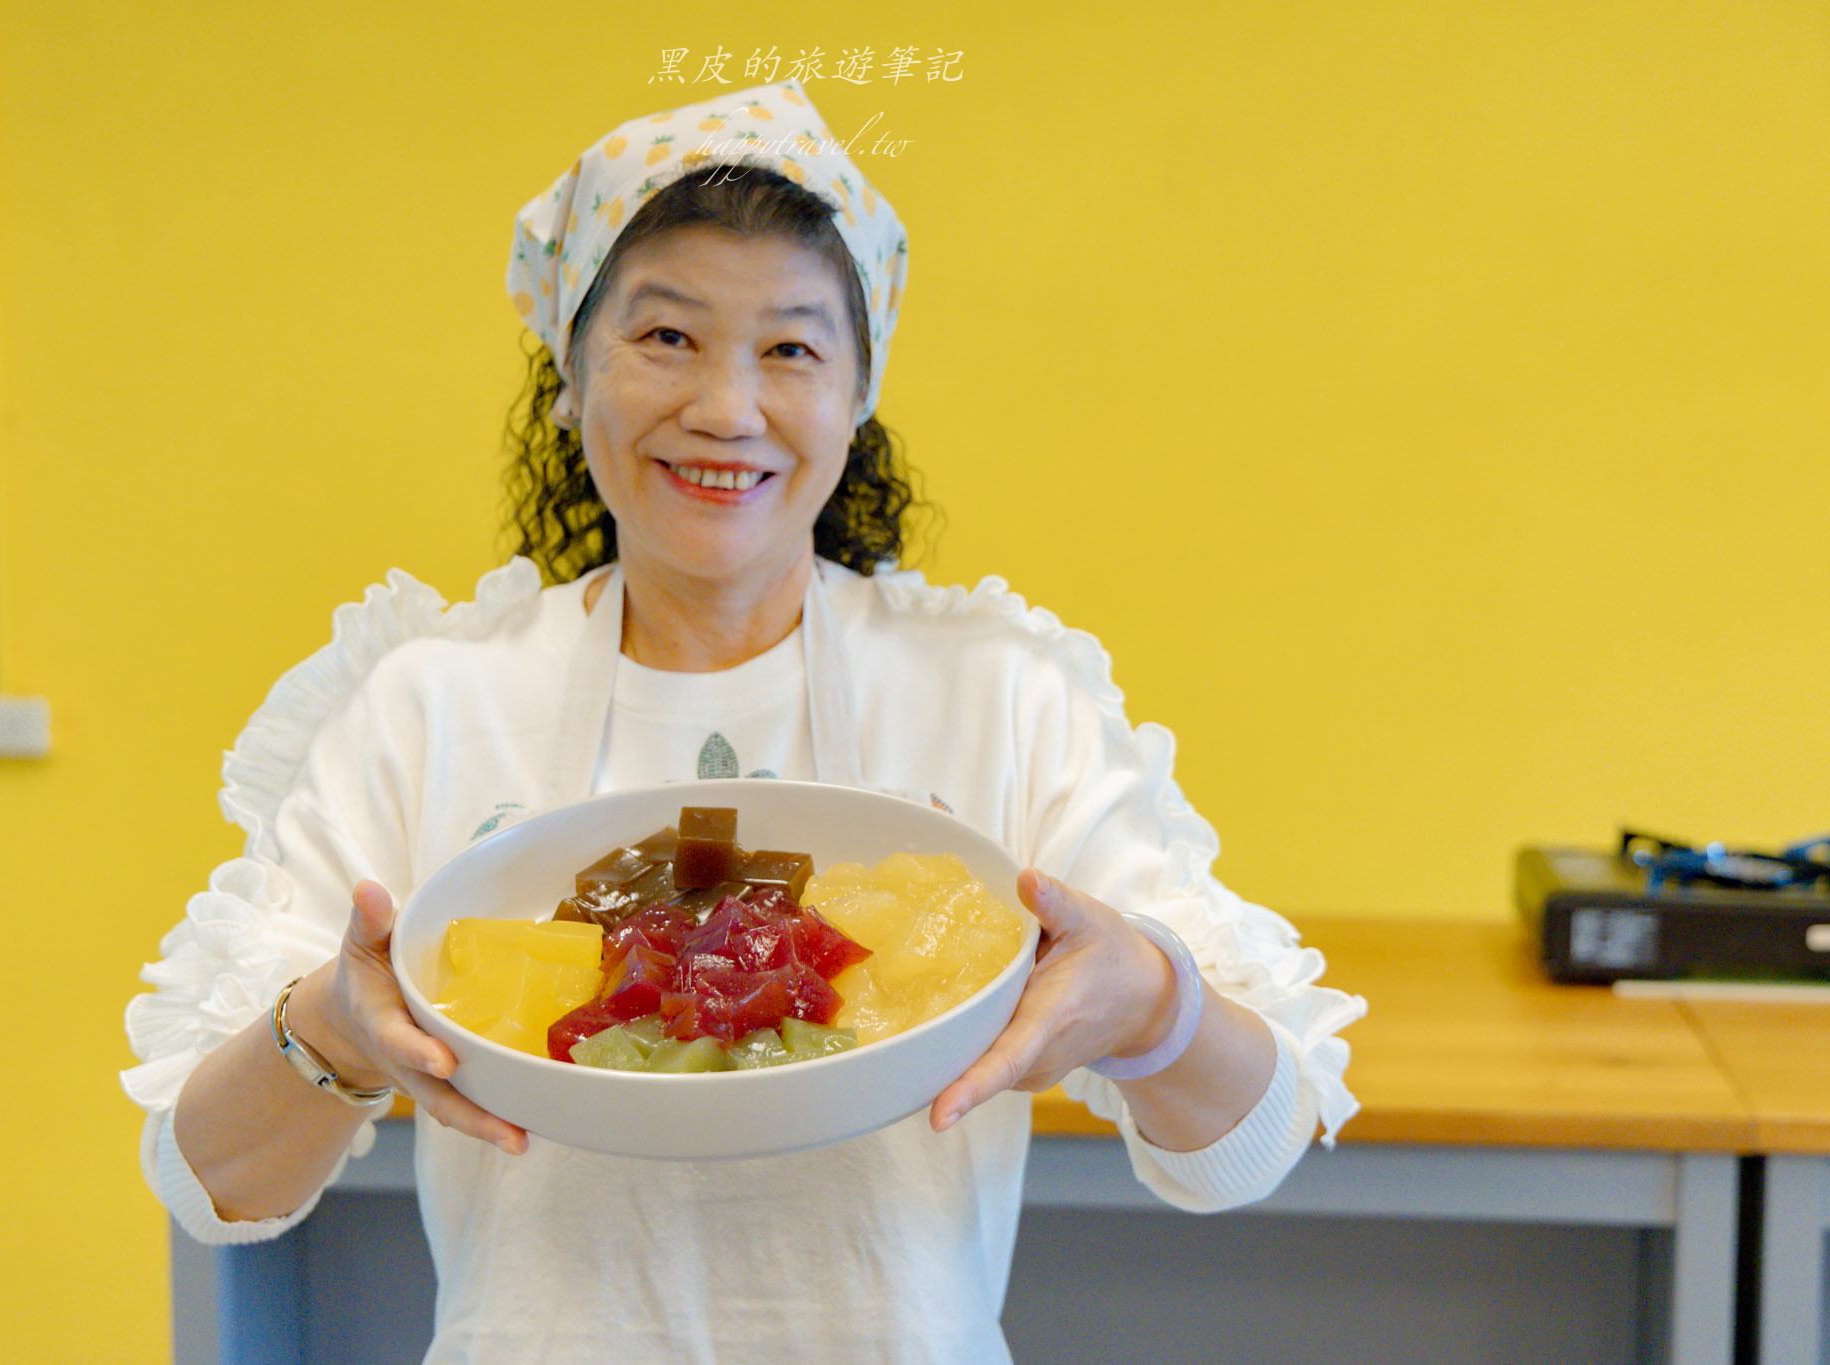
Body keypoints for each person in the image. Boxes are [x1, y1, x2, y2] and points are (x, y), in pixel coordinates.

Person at [122, 79, 1369, 1363]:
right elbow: (212, 1185)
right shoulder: (430, 704)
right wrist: (331, 1029)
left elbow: (1244, 1149)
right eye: (665, 337)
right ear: (568, 368)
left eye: (790, 348)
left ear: (855, 396)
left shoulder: (996, 695)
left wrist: (1149, 1005)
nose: (726, 407)